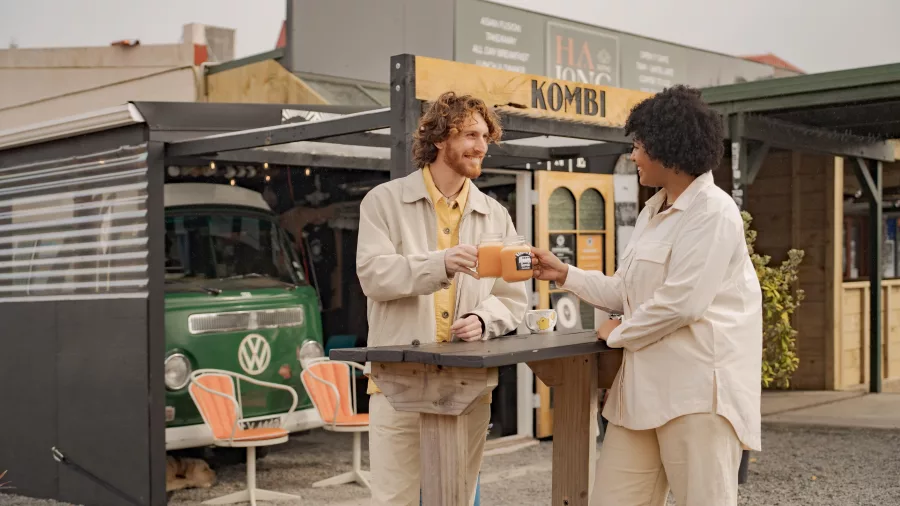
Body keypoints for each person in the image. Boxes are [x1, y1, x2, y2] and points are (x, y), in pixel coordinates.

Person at [531, 85, 763, 506]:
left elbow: (683, 303)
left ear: (666, 148)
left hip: (698, 399)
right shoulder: (652, 212)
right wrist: (564, 273)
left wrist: (617, 334)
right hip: (640, 396)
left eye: (638, 145)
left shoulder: (714, 211)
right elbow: (625, 291)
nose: (633, 155)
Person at [356, 91, 529, 506]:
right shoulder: (383, 201)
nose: (481, 146)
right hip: (397, 381)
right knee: (393, 500)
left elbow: (513, 296)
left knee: (456, 497)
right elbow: (373, 276)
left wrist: (485, 319)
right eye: (470, 134)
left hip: (468, 383)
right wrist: (440, 264)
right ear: (438, 139)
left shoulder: (496, 214)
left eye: (485, 136)